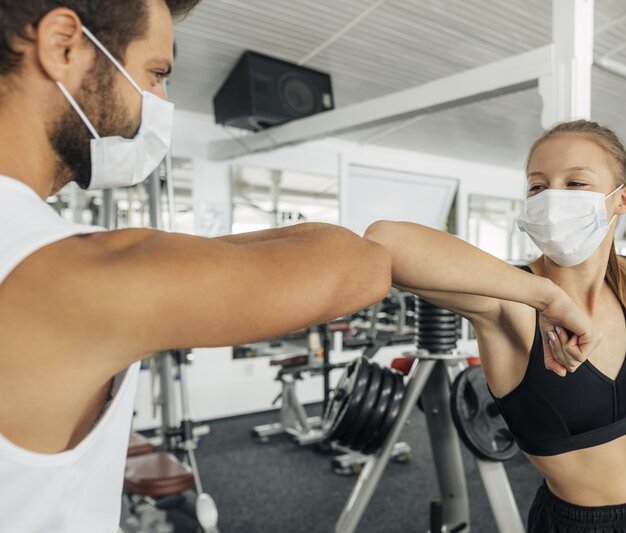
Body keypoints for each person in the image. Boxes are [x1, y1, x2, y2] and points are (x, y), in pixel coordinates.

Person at [0, 1, 391, 531]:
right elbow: (362, 264)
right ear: (63, 45)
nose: (159, 100)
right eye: (156, 73)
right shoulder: (61, 272)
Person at [365, 120, 626, 532]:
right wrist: (547, 297)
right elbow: (387, 242)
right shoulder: (509, 305)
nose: (553, 199)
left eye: (575, 183)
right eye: (538, 187)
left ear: (623, 198)